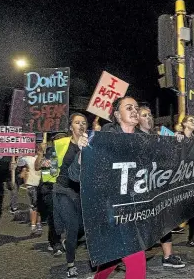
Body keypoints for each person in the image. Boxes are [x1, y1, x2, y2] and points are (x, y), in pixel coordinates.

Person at [70, 96, 147, 279]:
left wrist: (178, 144)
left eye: (136, 107)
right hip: (110, 211)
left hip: (136, 210)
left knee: (111, 258)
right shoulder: (103, 139)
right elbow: (74, 175)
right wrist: (83, 154)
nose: (135, 110)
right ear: (117, 115)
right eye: (129, 108)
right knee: (136, 260)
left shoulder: (145, 140)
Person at [137, 106, 185, 268]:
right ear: (137, 120)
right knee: (142, 224)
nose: (149, 118)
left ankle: (168, 256)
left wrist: (176, 140)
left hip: (158, 186)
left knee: (164, 220)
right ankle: (132, 258)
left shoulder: (159, 136)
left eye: (150, 114)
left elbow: (172, 155)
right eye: (144, 115)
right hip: (141, 188)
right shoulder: (133, 137)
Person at [52, 113, 89, 278]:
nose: (81, 125)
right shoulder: (61, 144)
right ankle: (70, 264)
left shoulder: (91, 144)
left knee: (83, 227)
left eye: (84, 122)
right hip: (63, 190)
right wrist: (46, 163)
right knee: (73, 227)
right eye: (77, 122)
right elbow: (51, 168)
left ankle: (68, 241)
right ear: (70, 127)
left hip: (81, 192)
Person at [35, 134, 65, 257]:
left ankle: (55, 239)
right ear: (52, 142)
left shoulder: (68, 153)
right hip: (49, 189)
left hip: (64, 189)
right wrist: (41, 153)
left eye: (62, 139)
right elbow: (37, 167)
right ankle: (55, 243)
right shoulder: (48, 152)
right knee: (54, 216)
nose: (59, 141)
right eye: (57, 140)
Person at [177, 115, 194, 249]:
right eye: (191, 121)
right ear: (184, 123)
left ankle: (192, 238)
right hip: (179, 180)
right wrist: (176, 139)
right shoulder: (177, 137)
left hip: (193, 179)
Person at [19, 145, 43, 236]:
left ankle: (38, 224)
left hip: (40, 183)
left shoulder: (40, 157)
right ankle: (33, 225)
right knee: (34, 205)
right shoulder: (26, 158)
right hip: (31, 184)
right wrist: (18, 156)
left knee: (40, 205)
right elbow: (20, 164)